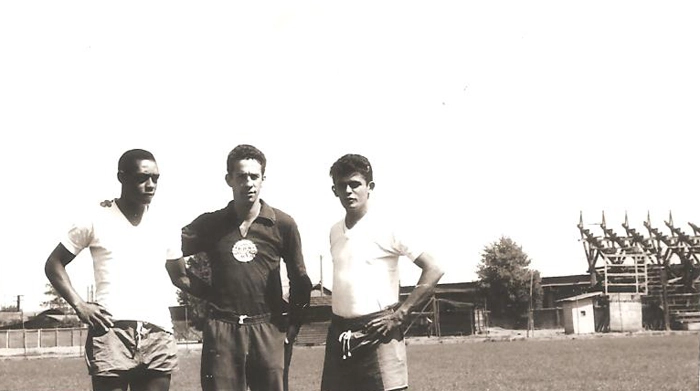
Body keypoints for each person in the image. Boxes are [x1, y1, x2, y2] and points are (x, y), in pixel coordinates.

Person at [166, 144, 312, 391]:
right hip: (223, 328)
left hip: (268, 327)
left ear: (263, 179)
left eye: (254, 176)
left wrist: (292, 328)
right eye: (241, 176)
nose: (248, 183)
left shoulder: (282, 224)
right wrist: (205, 291)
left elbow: (300, 280)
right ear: (229, 179)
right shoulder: (211, 223)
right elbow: (167, 246)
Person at [44, 149, 182, 391]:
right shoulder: (96, 217)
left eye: (156, 179)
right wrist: (80, 305)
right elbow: (54, 264)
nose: (151, 185)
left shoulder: (165, 223)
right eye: (142, 178)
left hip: (158, 332)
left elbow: (181, 276)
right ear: (122, 177)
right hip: (111, 331)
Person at [320, 153, 445, 391]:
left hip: (378, 331)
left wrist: (401, 314)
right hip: (339, 333)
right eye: (342, 185)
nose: (348, 191)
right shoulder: (335, 231)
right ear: (334, 190)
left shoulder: (389, 226)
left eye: (355, 184)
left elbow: (434, 269)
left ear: (370, 187)